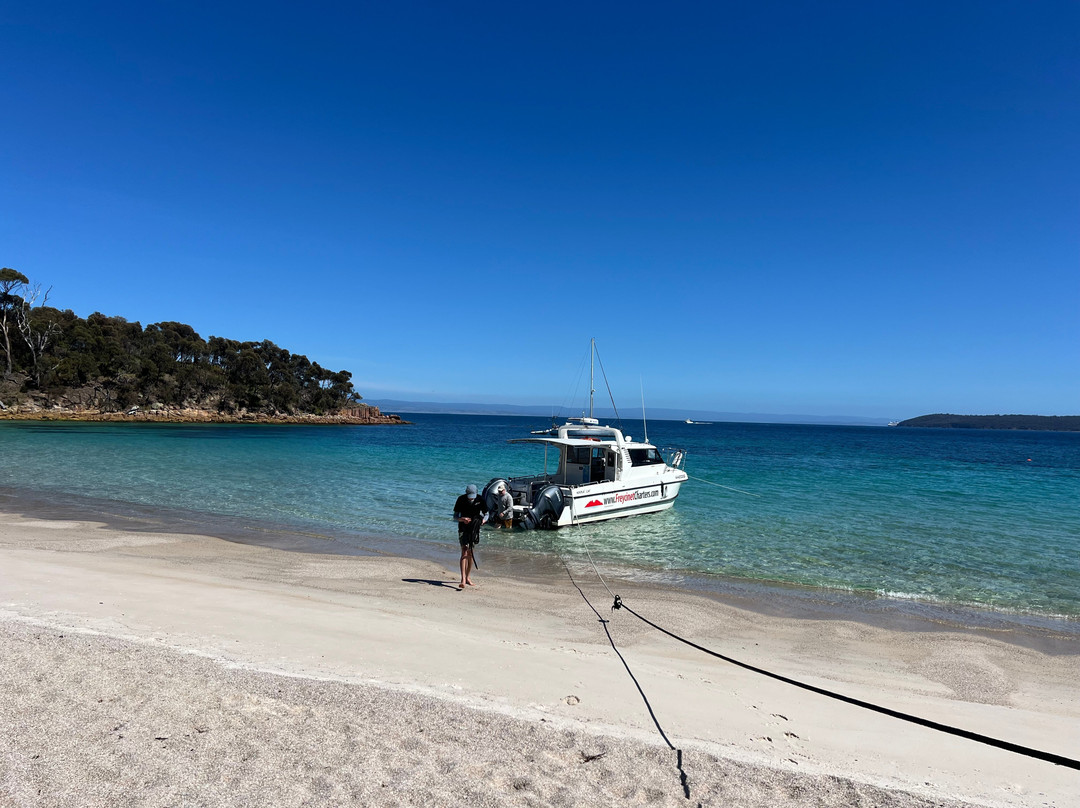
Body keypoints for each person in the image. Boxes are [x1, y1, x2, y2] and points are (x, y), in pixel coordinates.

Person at [453, 483, 487, 589]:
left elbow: (487, 513)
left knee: (471, 553)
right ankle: (462, 579)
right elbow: (455, 516)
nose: (471, 499)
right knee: (464, 551)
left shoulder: (480, 499)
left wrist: (484, 521)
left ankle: (468, 577)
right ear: (466, 494)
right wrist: (462, 519)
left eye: (473, 497)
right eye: (470, 497)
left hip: (474, 528)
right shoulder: (461, 499)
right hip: (463, 528)